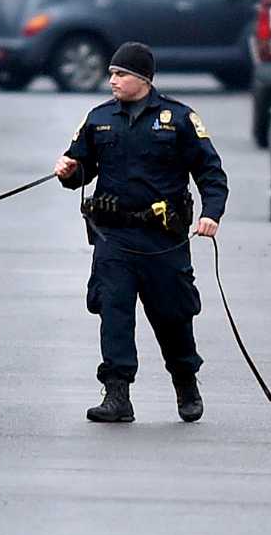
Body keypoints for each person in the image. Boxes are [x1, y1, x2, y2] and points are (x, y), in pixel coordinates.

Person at [54, 42, 228, 425]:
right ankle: (117, 395)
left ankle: (185, 383)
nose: (112, 80)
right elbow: (81, 169)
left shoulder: (179, 119)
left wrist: (211, 214)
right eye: (112, 74)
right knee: (113, 312)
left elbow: (211, 174)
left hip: (162, 239)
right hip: (113, 237)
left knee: (173, 315)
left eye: (120, 74)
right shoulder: (99, 118)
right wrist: (69, 171)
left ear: (143, 79)